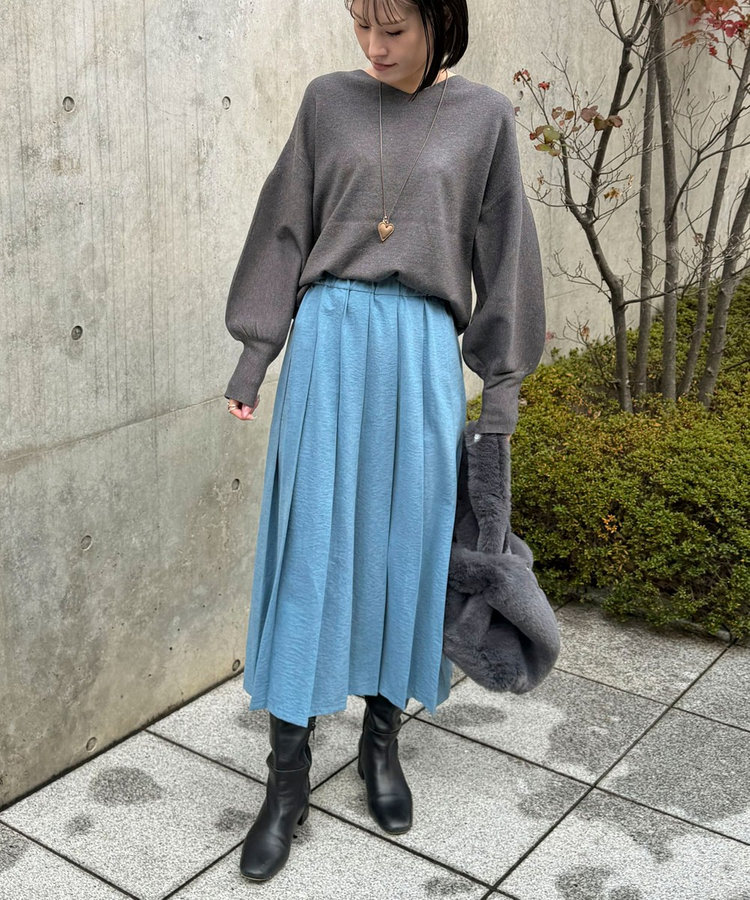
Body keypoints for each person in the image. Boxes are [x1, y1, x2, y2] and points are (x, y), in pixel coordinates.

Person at [223, 0, 546, 882]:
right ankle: (286, 778)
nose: (374, 47)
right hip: (328, 344)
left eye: (394, 28)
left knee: (404, 554)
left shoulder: (484, 119)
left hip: (421, 354)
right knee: (309, 556)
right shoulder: (326, 102)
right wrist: (254, 356)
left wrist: (502, 388)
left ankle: (380, 742)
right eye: (362, 24)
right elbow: (284, 229)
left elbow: (506, 256)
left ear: (441, 19)